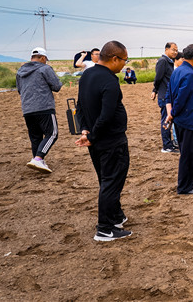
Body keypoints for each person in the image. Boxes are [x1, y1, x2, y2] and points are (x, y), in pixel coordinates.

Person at [75, 41, 132, 241]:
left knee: (106, 179)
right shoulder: (109, 80)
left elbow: (79, 106)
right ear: (115, 58)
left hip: (96, 141)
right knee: (111, 182)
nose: (125, 64)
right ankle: (105, 229)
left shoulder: (88, 75)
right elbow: (106, 115)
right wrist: (91, 135)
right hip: (110, 141)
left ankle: (116, 216)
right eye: (124, 60)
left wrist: (85, 130)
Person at [165, 44, 193, 194]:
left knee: (190, 150)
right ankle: (184, 186)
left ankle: (192, 179)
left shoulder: (179, 70)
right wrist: (173, 112)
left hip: (181, 119)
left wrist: (171, 114)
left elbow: (169, 92)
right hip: (188, 119)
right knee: (188, 153)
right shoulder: (190, 74)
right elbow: (181, 98)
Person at [16, 47, 62, 173]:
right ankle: (38, 158)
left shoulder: (20, 71)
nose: (46, 62)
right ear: (42, 58)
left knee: (35, 136)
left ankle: (38, 161)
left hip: (27, 108)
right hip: (44, 107)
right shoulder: (45, 68)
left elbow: (20, 90)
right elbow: (57, 86)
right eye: (46, 59)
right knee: (52, 134)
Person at [152, 42, 178, 153]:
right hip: (164, 96)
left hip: (169, 95)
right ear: (166, 49)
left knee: (169, 119)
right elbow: (158, 78)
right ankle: (166, 146)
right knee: (166, 120)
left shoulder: (169, 62)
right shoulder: (163, 61)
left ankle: (169, 143)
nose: (175, 52)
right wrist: (155, 90)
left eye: (176, 50)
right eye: (173, 50)